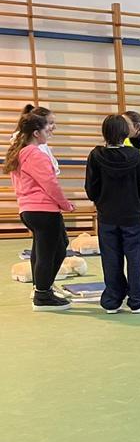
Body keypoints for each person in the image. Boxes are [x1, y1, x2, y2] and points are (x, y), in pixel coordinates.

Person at [5, 109, 74, 311]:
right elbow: (50, 183)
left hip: (29, 210)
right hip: (42, 210)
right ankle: (42, 294)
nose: (51, 130)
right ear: (36, 132)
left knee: (47, 248)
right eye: (48, 127)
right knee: (52, 251)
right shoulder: (34, 154)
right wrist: (65, 204)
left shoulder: (21, 152)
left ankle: (42, 289)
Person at [85, 114, 140, 315]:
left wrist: (102, 200)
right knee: (134, 258)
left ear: (104, 132)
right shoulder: (136, 156)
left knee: (110, 257)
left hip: (107, 215)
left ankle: (112, 300)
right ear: (125, 133)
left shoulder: (96, 156)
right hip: (132, 215)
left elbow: (91, 188)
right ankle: (137, 300)